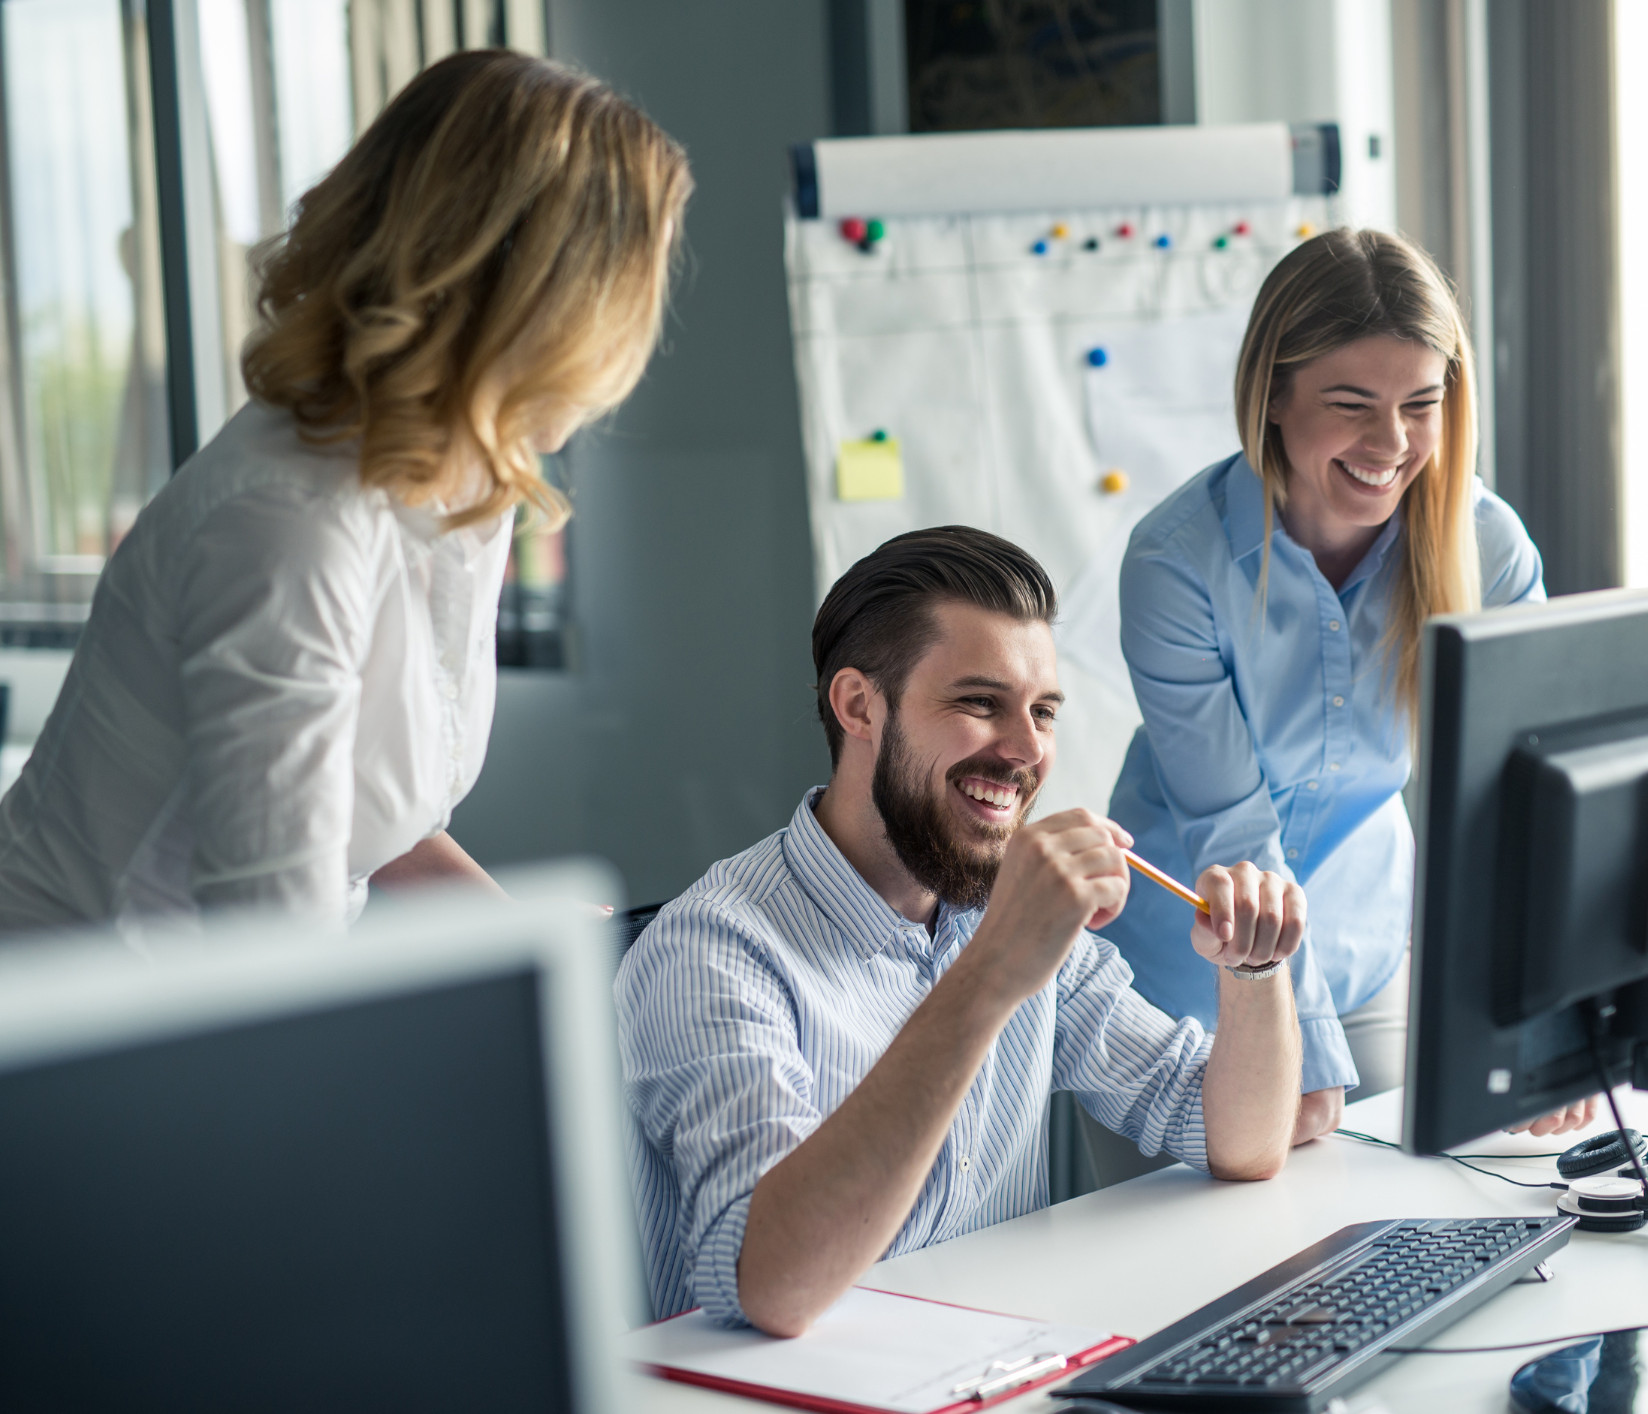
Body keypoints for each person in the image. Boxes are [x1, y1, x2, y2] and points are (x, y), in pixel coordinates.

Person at [0, 51, 690, 930]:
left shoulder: (455, 484)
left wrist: (527, 933)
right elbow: (273, 941)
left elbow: (367, 813)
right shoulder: (288, 526)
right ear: (545, 304)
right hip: (77, 1016)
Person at [617, 527, 1308, 1335]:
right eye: (980, 703)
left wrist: (1254, 970)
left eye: (1043, 711)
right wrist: (991, 974)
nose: (1026, 751)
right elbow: (772, 1286)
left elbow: (1240, 1141)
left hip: (998, 1367)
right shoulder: (710, 953)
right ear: (858, 705)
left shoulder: (1003, 907)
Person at [1098, 228, 1593, 1139]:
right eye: (1352, 402)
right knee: (1196, 1268)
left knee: (1412, 1231)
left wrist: (1541, 1004)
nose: (1391, 442)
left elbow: (1520, 800)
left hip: (1368, 951)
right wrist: (1300, 1050)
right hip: (1180, 976)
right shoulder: (1177, 564)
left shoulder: (1485, 547)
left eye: (1420, 404)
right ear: (1274, 395)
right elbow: (1234, 834)